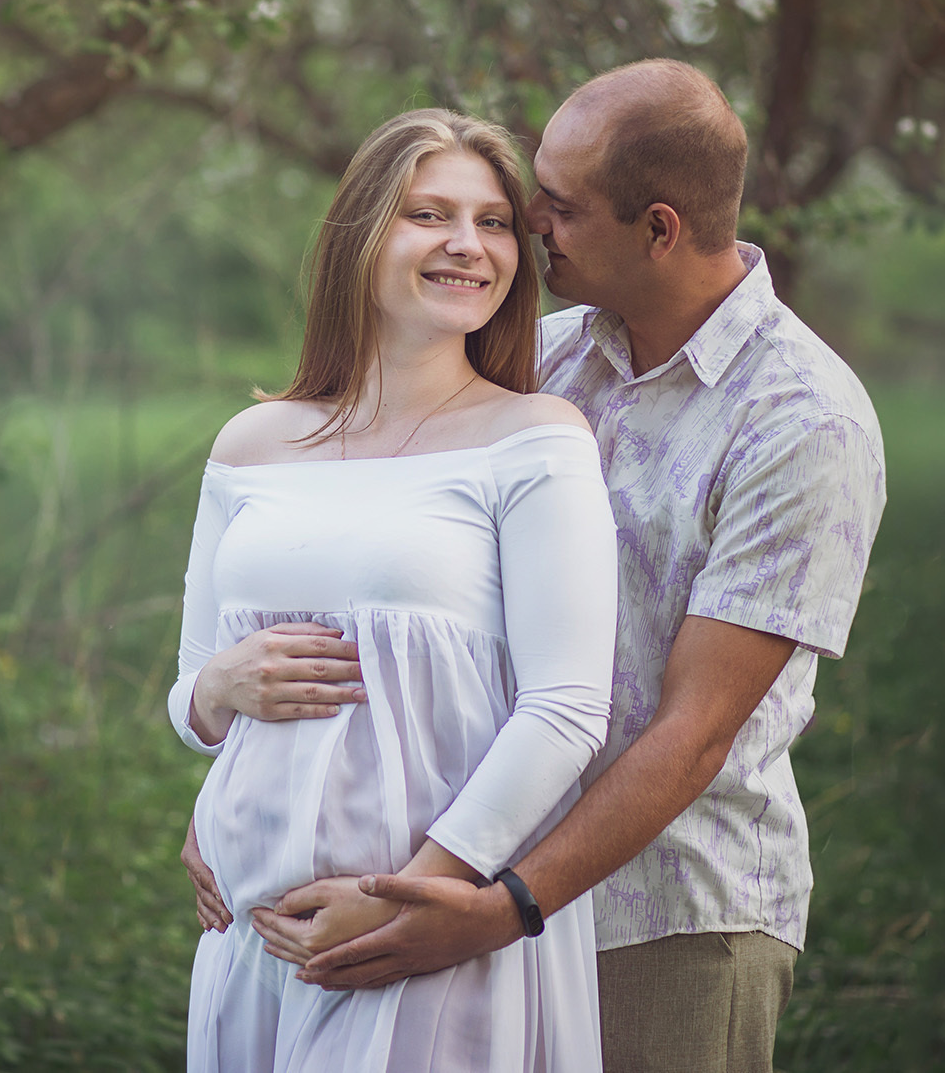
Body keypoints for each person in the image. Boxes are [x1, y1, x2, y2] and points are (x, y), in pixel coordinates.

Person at [194, 61, 888, 1073]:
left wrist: (496, 907)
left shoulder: (799, 423)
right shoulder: (547, 359)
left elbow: (691, 733)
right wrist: (232, 798)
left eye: (553, 209)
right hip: (459, 883)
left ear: (656, 228)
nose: (525, 230)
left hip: (665, 912)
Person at [169, 107, 620, 1072]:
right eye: (429, 214)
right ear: (360, 236)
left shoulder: (534, 437)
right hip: (252, 930)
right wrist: (217, 690)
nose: (468, 245)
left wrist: (416, 897)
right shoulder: (251, 446)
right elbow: (193, 699)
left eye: (495, 222)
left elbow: (567, 708)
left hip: (423, 936)